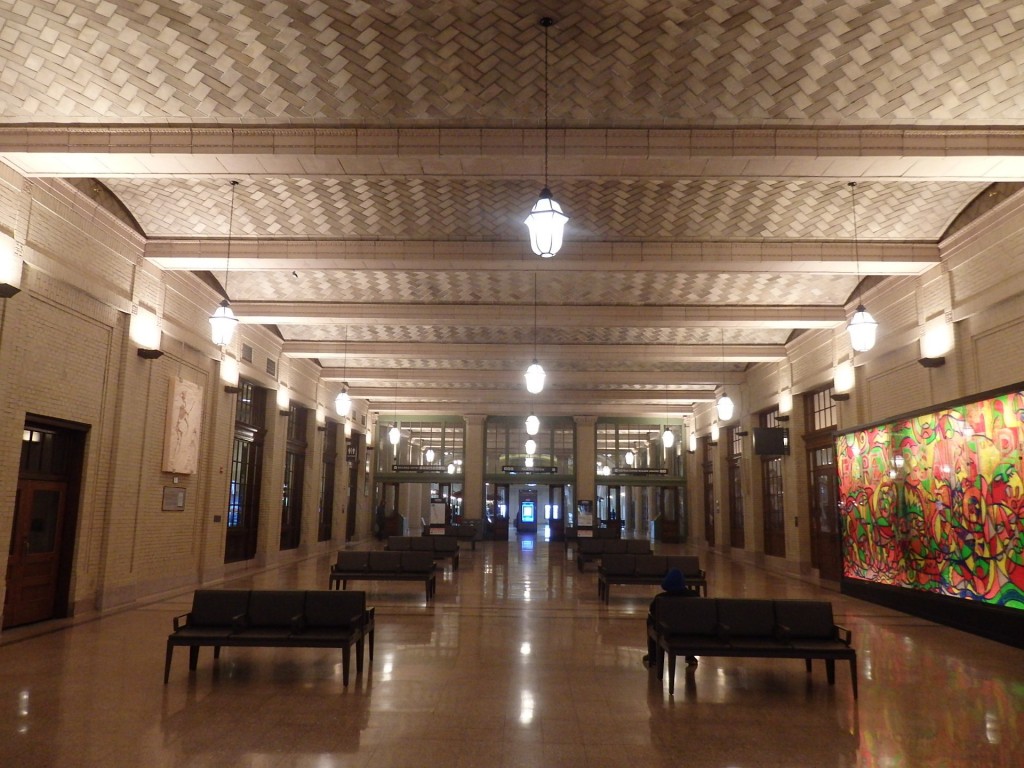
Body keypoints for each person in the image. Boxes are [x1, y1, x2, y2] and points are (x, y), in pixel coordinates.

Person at [642, 567, 699, 668]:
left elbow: (653, 612)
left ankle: (653, 656)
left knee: (650, 621)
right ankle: (690, 656)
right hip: (689, 632)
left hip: (667, 632)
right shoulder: (694, 596)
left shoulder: (660, 598)